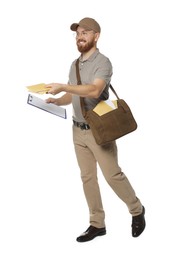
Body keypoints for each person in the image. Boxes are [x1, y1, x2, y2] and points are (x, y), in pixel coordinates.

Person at [45, 17, 146, 242]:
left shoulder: (103, 63)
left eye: (85, 33)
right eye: (77, 33)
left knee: (113, 175)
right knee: (87, 178)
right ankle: (97, 224)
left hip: (99, 131)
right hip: (77, 130)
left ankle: (137, 210)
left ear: (96, 36)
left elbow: (93, 90)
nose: (80, 37)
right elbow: (74, 94)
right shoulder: (74, 64)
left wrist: (63, 85)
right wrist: (57, 100)